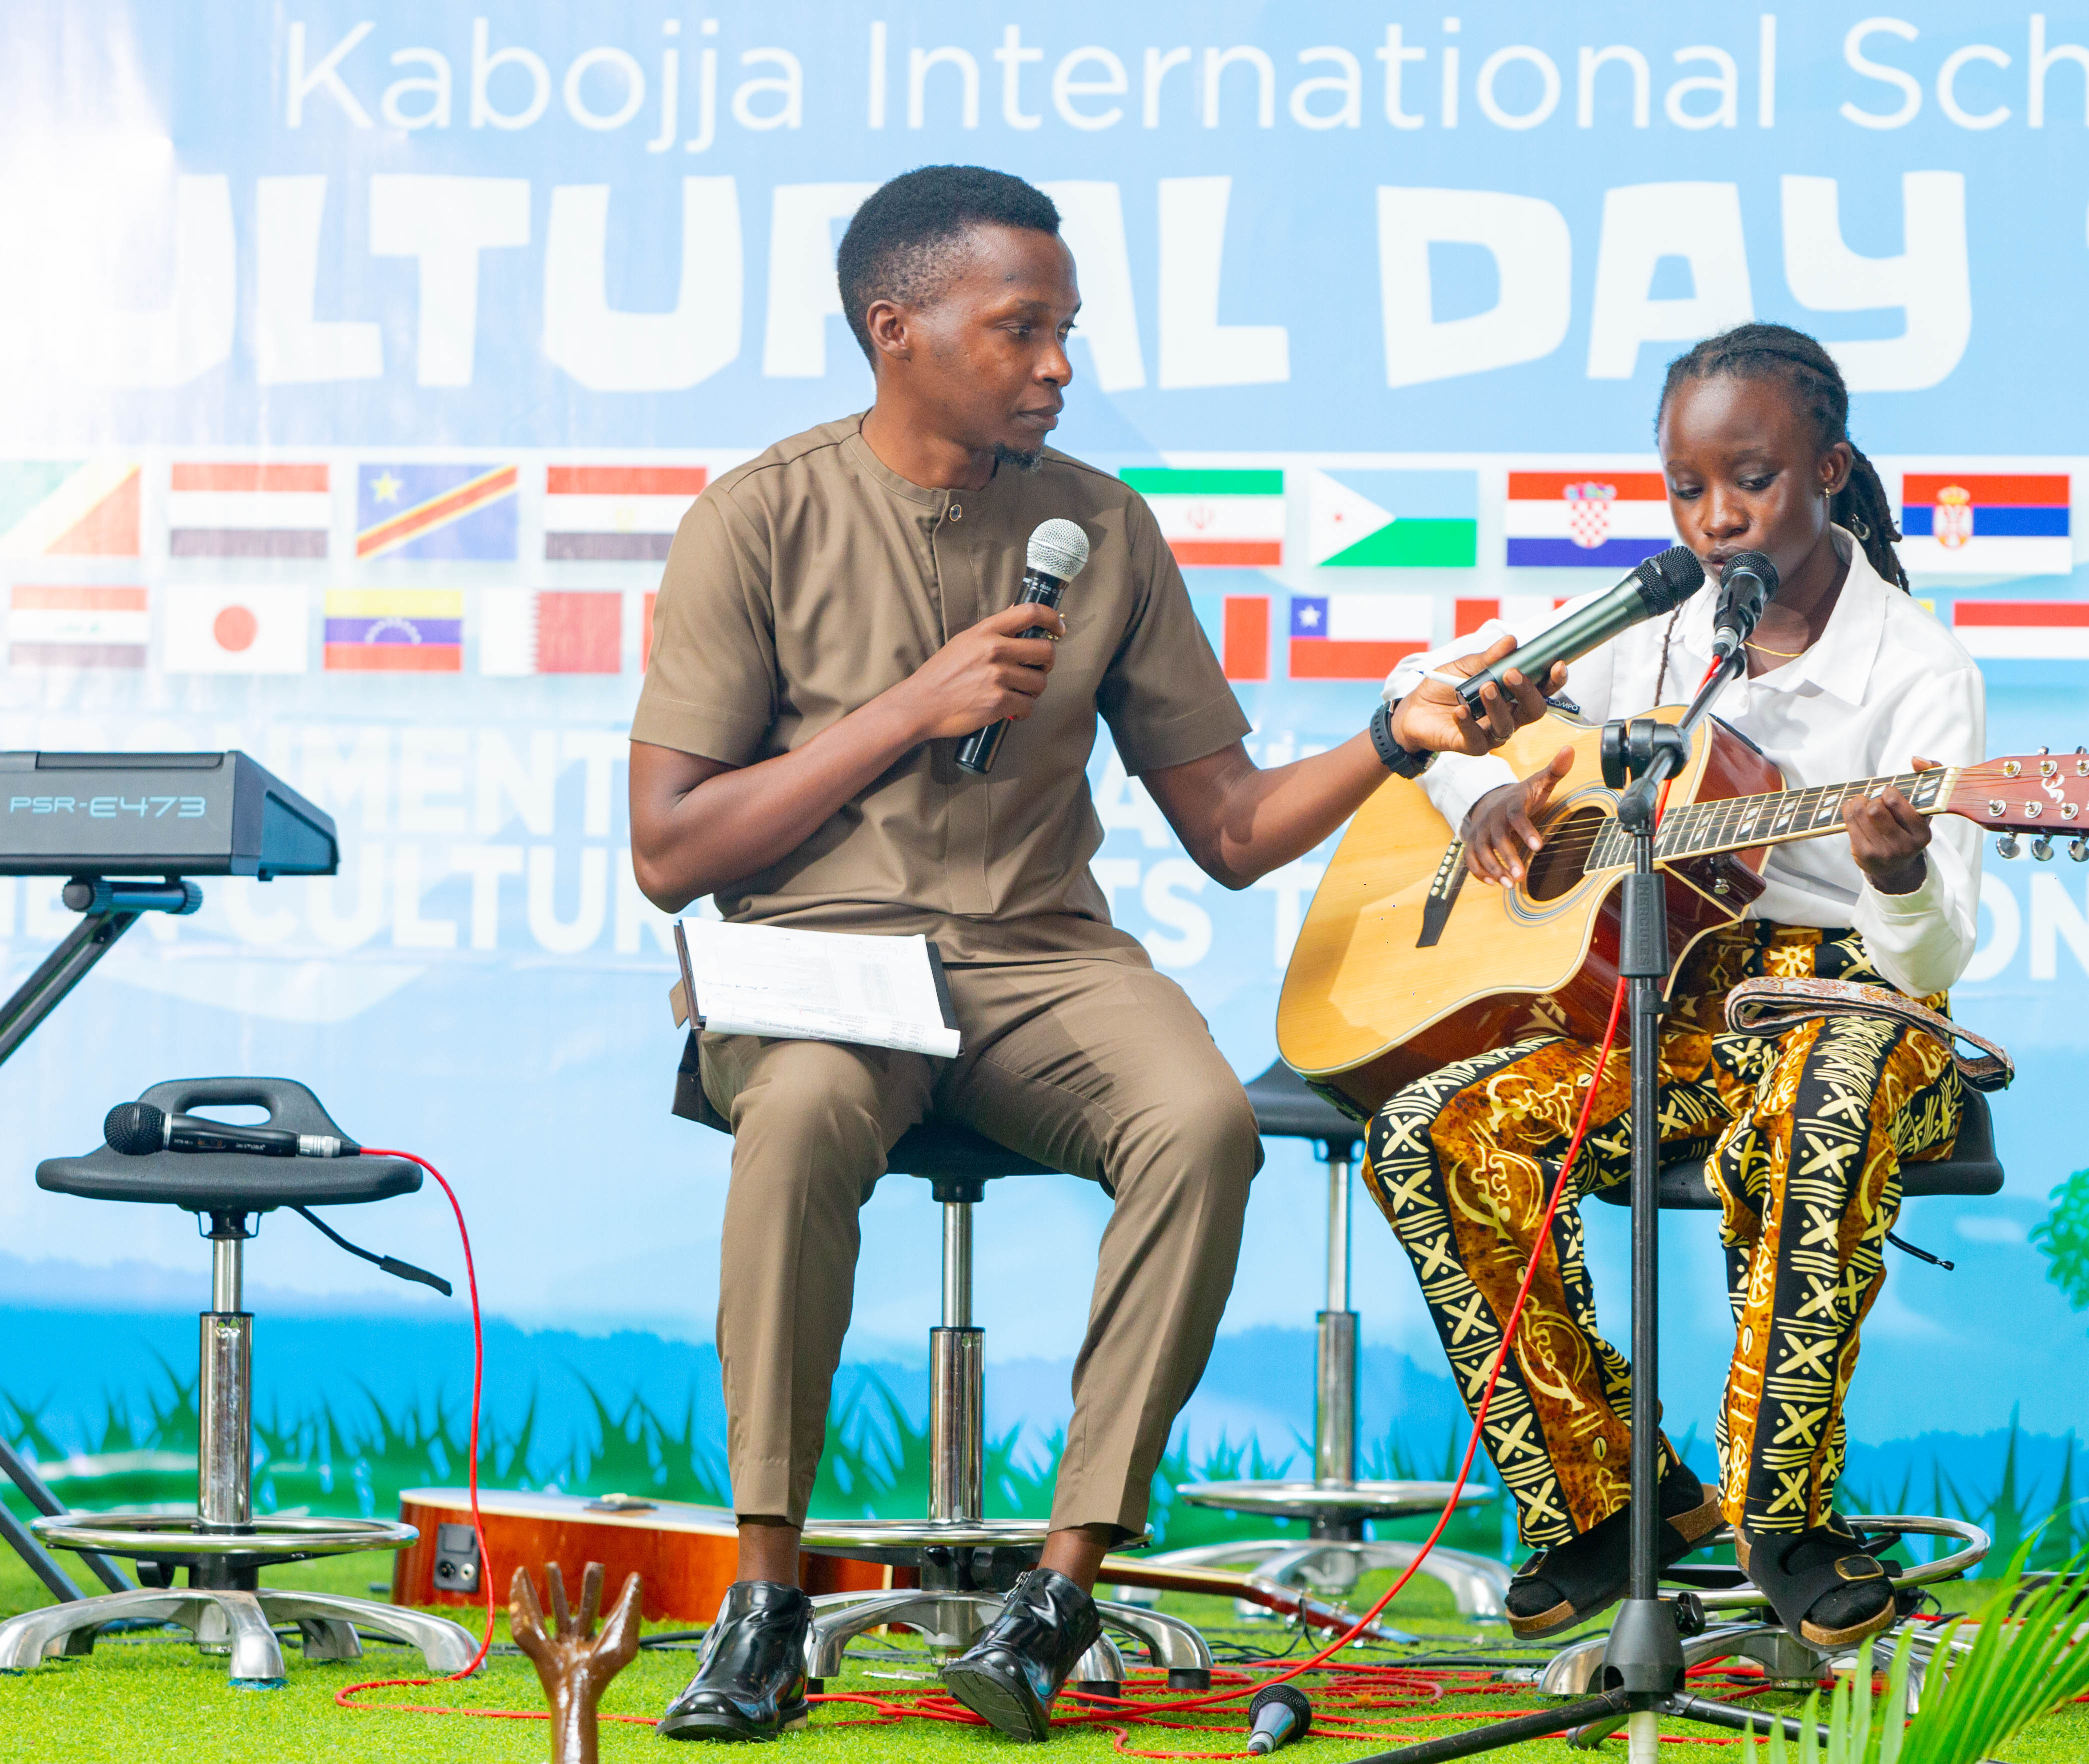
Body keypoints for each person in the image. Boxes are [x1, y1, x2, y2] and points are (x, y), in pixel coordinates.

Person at [626, 164, 1558, 1744]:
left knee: (1199, 1122)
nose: (1058, 365)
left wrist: (1396, 741)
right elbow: (670, 852)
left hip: (1038, 960)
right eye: (1022, 330)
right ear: (896, 328)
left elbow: (1232, 828)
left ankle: (1056, 1594)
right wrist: (910, 711)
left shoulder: (1104, 530)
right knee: (799, 1116)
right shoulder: (758, 516)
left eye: (1066, 331)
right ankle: (767, 1593)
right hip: (818, 965)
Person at [1360, 323, 1984, 1649]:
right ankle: (1609, 1504)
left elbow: (1931, 962)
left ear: (1829, 469)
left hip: (1856, 1005)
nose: (1715, 520)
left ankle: (1784, 1521)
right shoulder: (1653, 627)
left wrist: (1898, 870)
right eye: (1685, 488)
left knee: (1822, 1105)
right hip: (1667, 1006)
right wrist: (1479, 796)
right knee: (1428, 1131)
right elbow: (1424, 692)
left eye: (1750, 481)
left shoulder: (1916, 668)